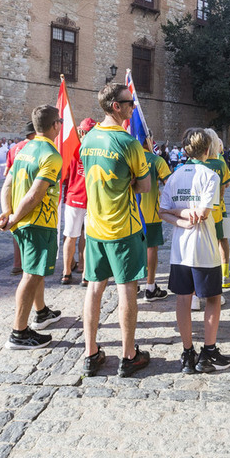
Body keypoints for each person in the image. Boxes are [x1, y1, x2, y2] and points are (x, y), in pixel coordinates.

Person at [80, 83, 152, 378]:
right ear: (115, 106)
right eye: (130, 102)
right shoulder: (128, 142)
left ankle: (90, 352)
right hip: (123, 227)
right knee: (126, 289)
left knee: (94, 289)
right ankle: (128, 354)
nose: (133, 106)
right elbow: (145, 186)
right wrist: (129, 183)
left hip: (94, 226)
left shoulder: (88, 139)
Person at [159, 127, 230, 374]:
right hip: (203, 247)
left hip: (180, 249)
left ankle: (187, 351)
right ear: (209, 149)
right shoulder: (209, 175)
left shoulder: (175, 176)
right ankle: (208, 351)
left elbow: (163, 210)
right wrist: (188, 214)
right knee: (212, 299)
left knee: (183, 299)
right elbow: (202, 213)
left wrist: (179, 217)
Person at [0, 105, 64, 349]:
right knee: (31, 275)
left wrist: (7, 213)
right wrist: (12, 218)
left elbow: (7, 185)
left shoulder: (24, 149)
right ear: (55, 125)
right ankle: (19, 332)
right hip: (38, 222)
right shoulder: (52, 155)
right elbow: (34, 196)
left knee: (34, 271)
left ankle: (42, 311)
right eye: (60, 122)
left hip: (22, 222)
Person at [61, 118, 95, 284]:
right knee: (88, 238)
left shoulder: (71, 150)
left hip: (73, 198)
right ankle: (85, 274)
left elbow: (64, 176)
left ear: (81, 132)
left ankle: (66, 272)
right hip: (91, 200)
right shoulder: (97, 151)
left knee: (70, 236)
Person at [203, 129, 230, 289]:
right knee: (224, 240)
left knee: (206, 244)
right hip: (220, 208)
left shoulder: (197, 163)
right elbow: (227, 183)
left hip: (201, 209)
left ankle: (207, 277)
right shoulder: (220, 163)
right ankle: (224, 274)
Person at [141, 135, 173, 300]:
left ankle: (131, 286)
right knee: (151, 248)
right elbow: (170, 184)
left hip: (130, 214)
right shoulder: (156, 160)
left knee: (132, 249)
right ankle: (150, 286)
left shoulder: (128, 158)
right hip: (150, 212)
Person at [6, 121, 36, 276]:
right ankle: (30, 265)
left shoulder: (13, 148)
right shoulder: (36, 148)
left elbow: (7, 172)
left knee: (16, 229)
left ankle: (17, 263)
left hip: (14, 193)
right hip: (30, 191)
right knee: (32, 230)